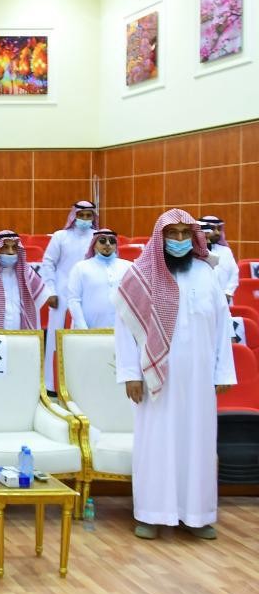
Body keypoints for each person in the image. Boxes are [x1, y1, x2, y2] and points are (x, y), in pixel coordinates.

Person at [115, 208, 235, 540]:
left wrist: (222, 371)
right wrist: (131, 373)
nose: (180, 240)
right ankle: (151, 514)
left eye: (185, 234)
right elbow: (124, 329)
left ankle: (197, 515)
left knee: (199, 444)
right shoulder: (140, 275)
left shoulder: (207, 274)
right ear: (161, 237)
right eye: (173, 234)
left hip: (198, 378)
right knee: (156, 444)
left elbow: (222, 326)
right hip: (156, 377)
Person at [41, 201, 99, 389]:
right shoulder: (61, 236)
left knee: (84, 334)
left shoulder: (97, 237)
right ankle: (52, 384)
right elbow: (48, 263)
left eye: (89, 216)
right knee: (56, 337)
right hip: (62, 295)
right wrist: (50, 291)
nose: (85, 219)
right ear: (74, 216)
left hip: (87, 295)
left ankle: (82, 383)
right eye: (81, 215)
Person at [65, 228, 131, 330]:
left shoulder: (128, 267)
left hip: (122, 331)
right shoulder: (80, 267)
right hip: (89, 330)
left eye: (112, 241)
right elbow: (73, 300)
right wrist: (82, 327)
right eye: (102, 241)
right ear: (94, 245)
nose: (108, 244)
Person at [199, 215, 238, 301]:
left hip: (225, 300)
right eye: (212, 229)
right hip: (201, 299)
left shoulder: (226, 251)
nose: (217, 233)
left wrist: (228, 292)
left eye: (219, 229)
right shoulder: (195, 252)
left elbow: (234, 273)